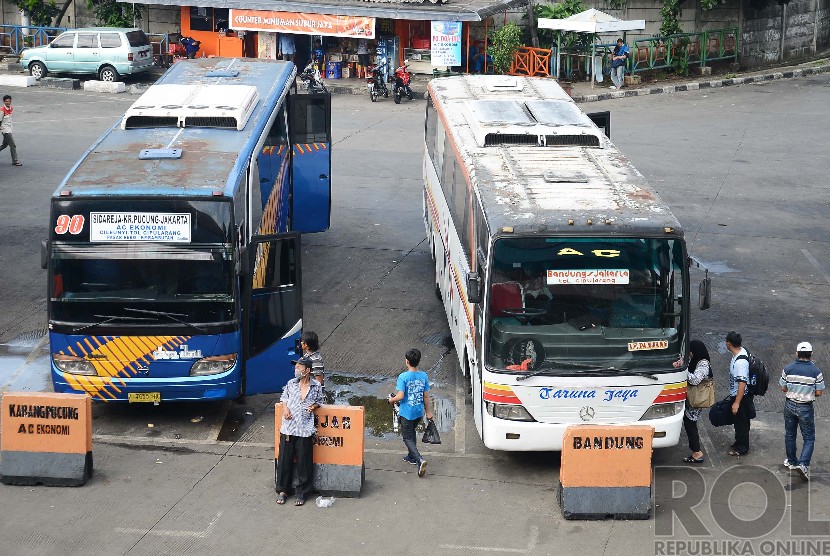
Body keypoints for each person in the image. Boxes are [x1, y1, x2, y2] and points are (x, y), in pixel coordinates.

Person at [276, 356, 324, 506]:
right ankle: (283, 490)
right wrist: (285, 409)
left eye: (299, 367)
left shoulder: (316, 386)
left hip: (304, 429)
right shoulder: (291, 383)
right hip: (289, 428)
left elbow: (320, 401)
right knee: (284, 460)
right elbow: (284, 398)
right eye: (296, 367)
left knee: (304, 462)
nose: (296, 370)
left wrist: (313, 406)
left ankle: (302, 492)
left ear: (307, 370)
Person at [780, 341, 825, 481]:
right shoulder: (816, 372)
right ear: (811, 354)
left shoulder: (788, 368)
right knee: (809, 438)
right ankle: (803, 464)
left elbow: (783, 388)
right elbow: (818, 393)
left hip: (789, 405)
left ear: (797, 354)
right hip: (805, 407)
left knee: (790, 434)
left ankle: (792, 462)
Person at [388, 348, 433, 478]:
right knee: (411, 432)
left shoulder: (403, 377)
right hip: (418, 412)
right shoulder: (423, 376)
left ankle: (419, 459)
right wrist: (428, 412)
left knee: (407, 437)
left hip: (407, 413)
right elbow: (425, 396)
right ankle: (411, 456)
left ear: (407, 361)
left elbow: (400, 396)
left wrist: (391, 400)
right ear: (418, 361)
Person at [681, 340, 711, 464]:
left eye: (691, 351)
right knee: (689, 423)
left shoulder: (703, 364)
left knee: (690, 423)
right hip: (692, 398)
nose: (690, 354)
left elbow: (695, 380)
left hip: (697, 398)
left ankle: (697, 452)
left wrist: (683, 370)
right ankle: (696, 451)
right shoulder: (695, 360)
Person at [725, 331, 752, 456]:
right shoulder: (741, 352)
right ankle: (738, 443)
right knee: (739, 422)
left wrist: (737, 402)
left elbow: (742, 383)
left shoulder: (740, 362)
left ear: (728, 344)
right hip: (739, 395)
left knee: (742, 422)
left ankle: (742, 448)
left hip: (741, 396)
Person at [0, 95, 21, 166]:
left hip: (9, 129)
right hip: (5, 130)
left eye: (9, 101)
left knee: (4, 145)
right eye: (6, 101)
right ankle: (15, 160)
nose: (7, 102)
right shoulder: (2, 110)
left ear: (10, 101)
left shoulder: (11, 108)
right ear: (4, 101)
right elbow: (0, 120)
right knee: (13, 146)